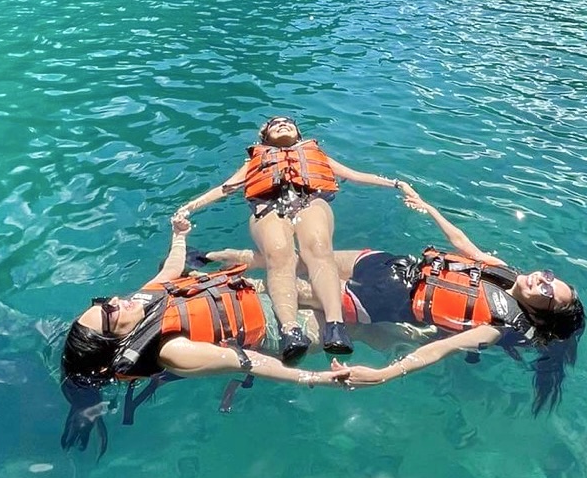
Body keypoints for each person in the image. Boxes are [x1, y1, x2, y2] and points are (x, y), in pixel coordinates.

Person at [204, 191, 586, 414]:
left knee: (281, 288)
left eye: (549, 294)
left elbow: (441, 349)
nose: (543, 281)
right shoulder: (505, 272)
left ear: (541, 311)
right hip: (385, 263)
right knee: (300, 261)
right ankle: (216, 259)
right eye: (551, 278)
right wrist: (428, 206)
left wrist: (384, 375)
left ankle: (209, 291)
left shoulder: (496, 325)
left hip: (379, 299)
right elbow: (463, 245)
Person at [60, 213, 350, 455]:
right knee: (358, 316)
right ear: (118, 339)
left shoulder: (140, 303)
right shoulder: (171, 350)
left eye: (103, 303)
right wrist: (316, 378)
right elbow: (247, 361)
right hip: (276, 329)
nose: (113, 301)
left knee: (341, 289)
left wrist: (179, 236)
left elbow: (171, 271)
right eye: (109, 313)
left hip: (253, 293)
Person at [174, 116, 413, 362]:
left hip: (310, 200)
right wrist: (190, 206)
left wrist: (396, 184)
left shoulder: (315, 154)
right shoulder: (254, 162)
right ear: (264, 138)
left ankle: (335, 326)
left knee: (319, 249)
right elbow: (226, 187)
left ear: (298, 133)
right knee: (279, 256)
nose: (281, 124)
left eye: (287, 122)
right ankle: (290, 330)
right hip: (268, 206)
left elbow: (354, 175)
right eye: (274, 124)